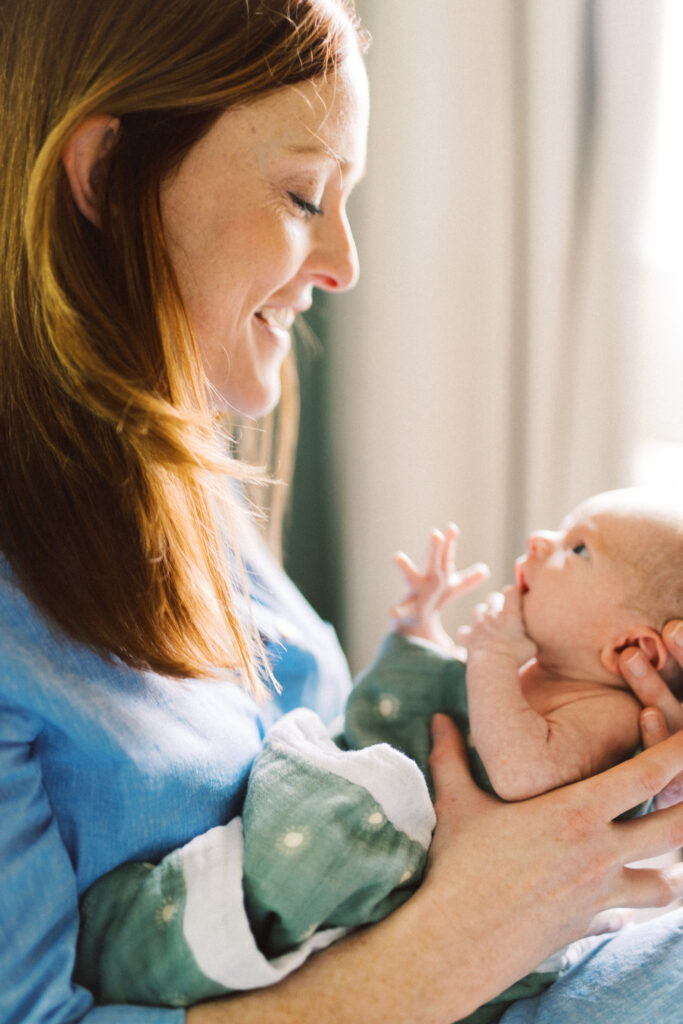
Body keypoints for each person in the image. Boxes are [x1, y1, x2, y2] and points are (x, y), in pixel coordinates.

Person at [2, 2, 683, 1024]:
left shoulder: (174, 492)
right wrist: (467, 930)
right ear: (105, 176)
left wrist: (588, 756)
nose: (343, 263)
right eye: (302, 194)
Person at [72, 486, 682, 1022]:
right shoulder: (556, 676)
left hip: (489, 941)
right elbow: (454, 714)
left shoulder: (613, 715)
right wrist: (423, 628)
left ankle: (186, 937)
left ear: (632, 647)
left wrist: (493, 657)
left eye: (579, 549)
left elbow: (522, 774)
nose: (543, 538)